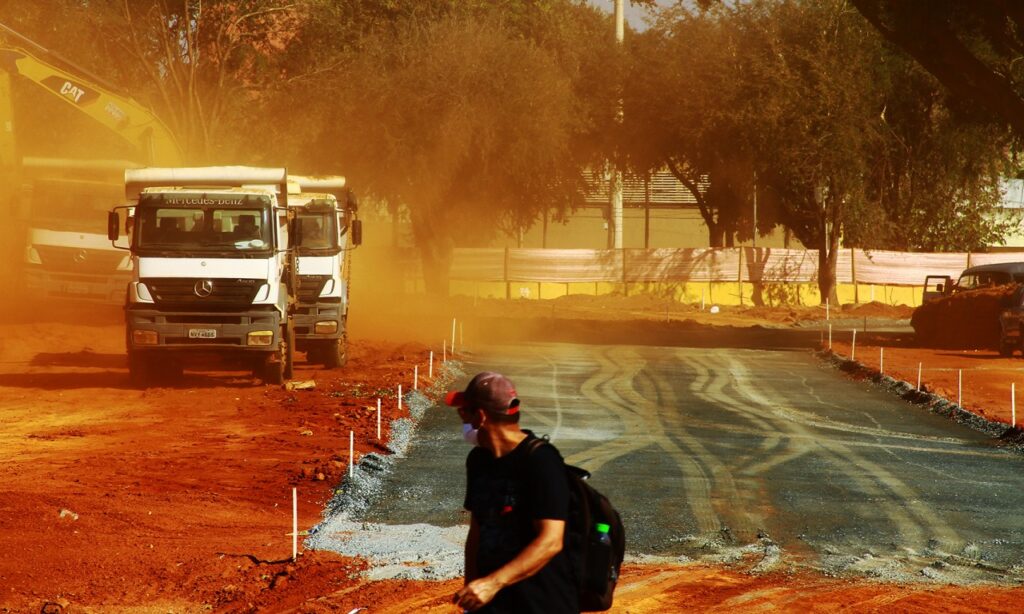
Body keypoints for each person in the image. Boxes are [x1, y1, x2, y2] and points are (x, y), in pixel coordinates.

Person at [447, 372, 578, 613]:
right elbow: (477, 531)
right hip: (494, 605)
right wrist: (472, 591)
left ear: (480, 416)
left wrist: (491, 583)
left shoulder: (541, 460)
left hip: (541, 604)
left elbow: (550, 541)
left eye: (464, 411)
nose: (461, 417)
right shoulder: (478, 460)